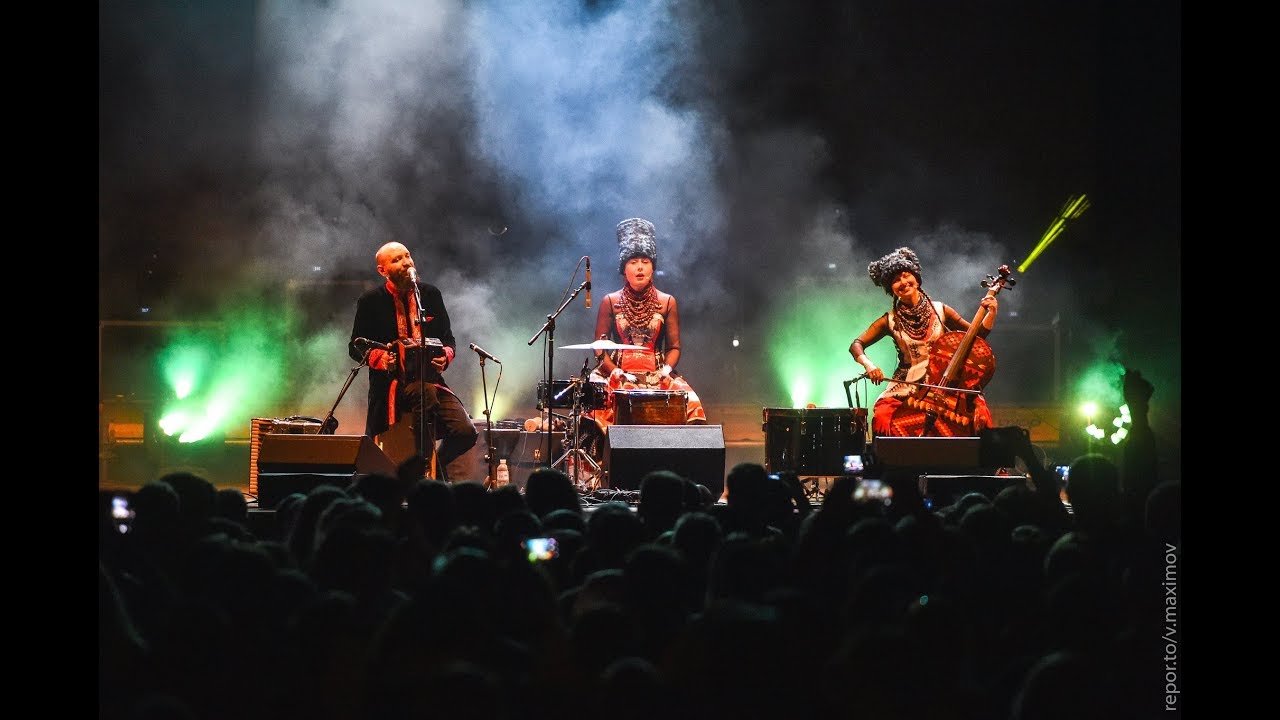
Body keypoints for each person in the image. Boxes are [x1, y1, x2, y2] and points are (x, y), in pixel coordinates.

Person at [349, 241, 478, 482]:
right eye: (397, 259)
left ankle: (435, 468)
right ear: (382, 270)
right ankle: (419, 473)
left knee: (466, 432)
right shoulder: (370, 301)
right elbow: (355, 346)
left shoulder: (430, 295)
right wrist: (382, 358)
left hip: (430, 380)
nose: (406, 262)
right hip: (391, 386)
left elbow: (448, 339)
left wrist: (445, 356)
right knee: (424, 393)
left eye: (407, 256)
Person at [849, 246, 998, 437]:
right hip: (907, 384)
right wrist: (869, 365)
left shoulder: (941, 310)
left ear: (916, 279)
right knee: (881, 417)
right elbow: (856, 344)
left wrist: (991, 313)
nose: (902, 282)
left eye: (905, 275)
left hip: (945, 383)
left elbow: (973, 339)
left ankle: (986, 465)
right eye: (895, 281)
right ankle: (888, 465)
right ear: (891, 290)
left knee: (981, 414)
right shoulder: (889, 320)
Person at [586, 217, 707, 428]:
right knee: (591, 404)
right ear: (624, 268)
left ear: (653, 267)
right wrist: (614, 371)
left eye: (645, 262)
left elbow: (674, 347)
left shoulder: (667, 301)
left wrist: (666, 371)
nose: (639, 267)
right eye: (633, 262)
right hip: (617, 372)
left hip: (657, 373)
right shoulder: (610, 301)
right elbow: (600, 348)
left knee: (692, 404)